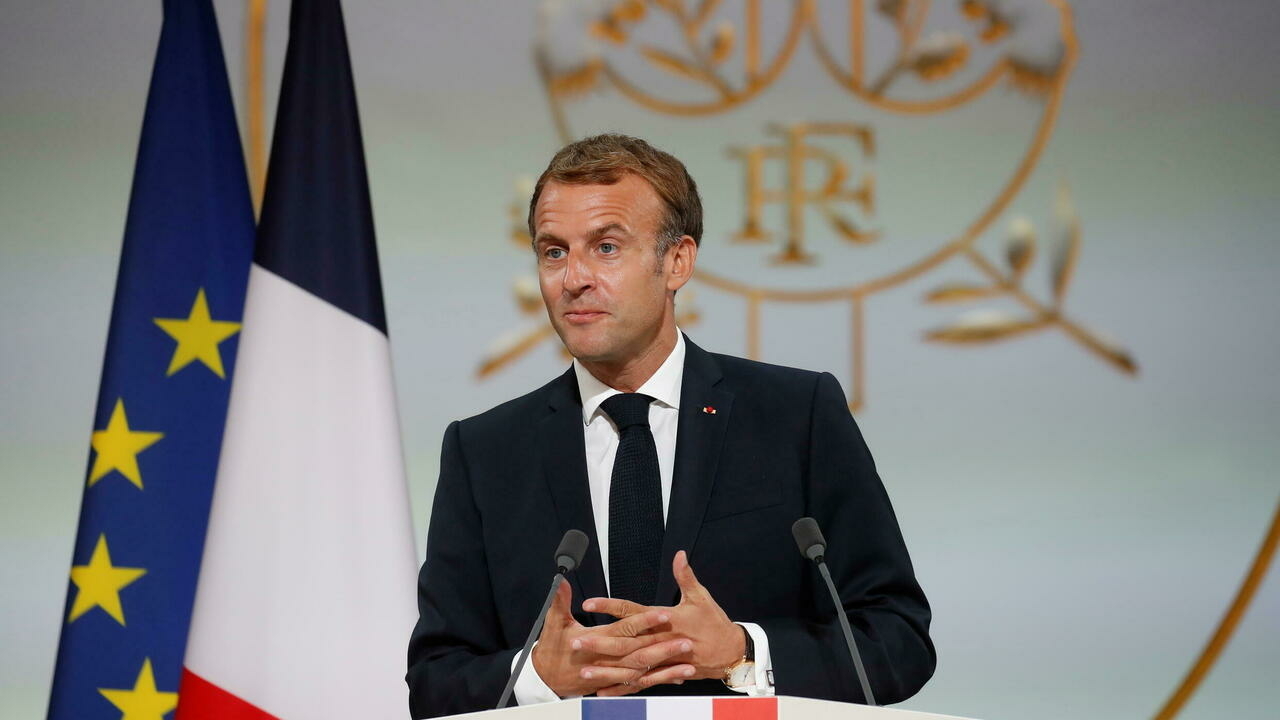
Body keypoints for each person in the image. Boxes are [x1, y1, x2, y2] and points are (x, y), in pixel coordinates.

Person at [406, 134, 934, 718]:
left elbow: (897, 638)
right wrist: (539, 677)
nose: (573, 277)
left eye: (606, 247)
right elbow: (434, 682)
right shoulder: (485, 452)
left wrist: (740, 652)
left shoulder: (795, 415)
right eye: (553, 252)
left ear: (677, 261)